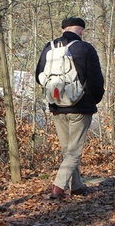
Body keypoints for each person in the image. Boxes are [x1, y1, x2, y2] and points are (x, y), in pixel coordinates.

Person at [36, 17, 105, 199]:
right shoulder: (85, 48)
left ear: (63, 29)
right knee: (74, 151)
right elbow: (96, 81)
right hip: (80, 106)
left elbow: (38, 76)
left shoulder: (49, 48)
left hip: (57, 106)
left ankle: (77, 186)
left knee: (68, 150)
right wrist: (94, 100)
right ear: (81, 31)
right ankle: (58, 187)